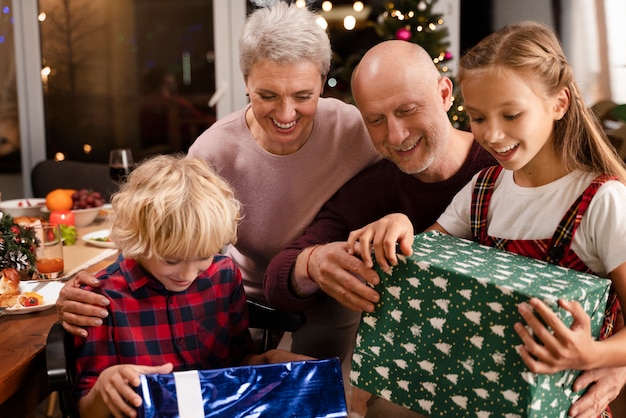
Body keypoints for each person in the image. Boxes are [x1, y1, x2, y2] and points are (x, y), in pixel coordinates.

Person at [56, 0, 379, 384]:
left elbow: (406, 186)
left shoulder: (356, 130)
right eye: (267, 95)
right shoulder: (213, 151)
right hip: (240, 297)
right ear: (246, 82)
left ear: (323, 82)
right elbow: (156, 239)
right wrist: (85, 289)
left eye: (303, 96)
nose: (286, 113)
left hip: (330, 291)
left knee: (316, 390)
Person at [346, 22, 626, 418]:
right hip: (478, 397)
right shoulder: (484, 188)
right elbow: (423, 270)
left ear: (559, 103)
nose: (492, 135)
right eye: (477, 118)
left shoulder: (603, 202)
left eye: (510, 115)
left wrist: (594, 352)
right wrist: (400, 225)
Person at [74, 154, 309, 418]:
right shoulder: (100, 297)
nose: (187, 274)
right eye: (171, 259)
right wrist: (105, 386)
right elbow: (84, 410)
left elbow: (237, 361)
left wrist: (267, 361)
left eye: (203, 256)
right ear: (138, 239)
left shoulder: (223, 274)